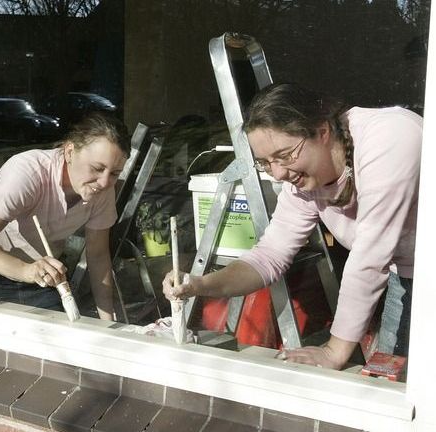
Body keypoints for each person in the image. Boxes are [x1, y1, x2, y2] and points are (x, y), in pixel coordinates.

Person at [163, 83, 421, 369]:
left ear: (322, 132)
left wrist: (333, 351)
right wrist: (199, 284)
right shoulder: (302, 183)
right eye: (265, 163)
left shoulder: (388, 140)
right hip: (408, 273)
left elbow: (370, 258)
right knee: (393, 377)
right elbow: (269, 255)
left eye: (285, 156)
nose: (278, 173)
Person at [0, 113, 129, 321]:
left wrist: (107, 319)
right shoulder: (27, 173)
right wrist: (27, 271)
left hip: (42, 275)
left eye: (114, 173)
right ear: (69, 152)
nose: (103, 182)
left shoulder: (101, 189)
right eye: (97, 168)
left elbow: (98, 255)